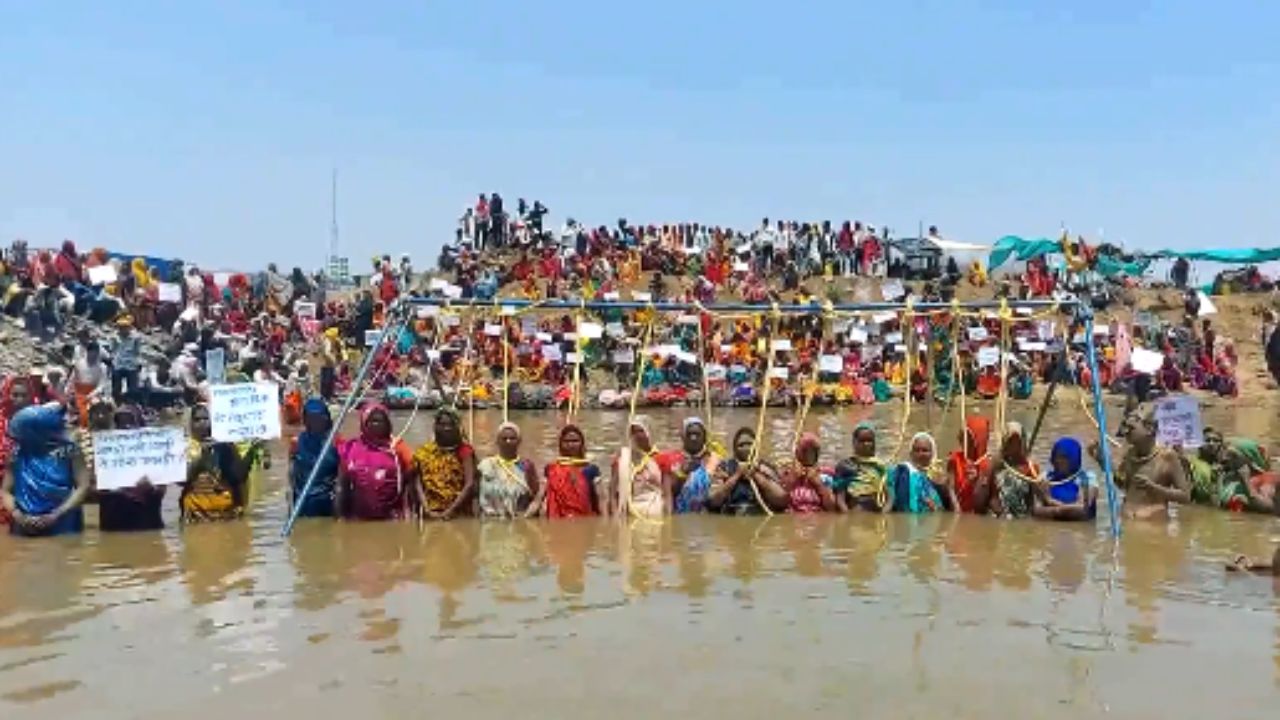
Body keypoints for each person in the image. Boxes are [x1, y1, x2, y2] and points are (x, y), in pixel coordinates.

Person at [0, 404, 89, 536]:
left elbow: (83, 486)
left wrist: (56, 514)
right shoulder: (17, 453)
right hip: (24, 522)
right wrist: (17, 514)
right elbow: (5, 491)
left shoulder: (69, 451)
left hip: (63, 521)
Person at [1096, 407, 1189, 519]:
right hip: (1127, 520)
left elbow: (1185, 497)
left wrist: (1153, 488)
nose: (1125, 432)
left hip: (1153, 527)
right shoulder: (1130, 454)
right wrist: (1104, 463)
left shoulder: (1167, 457)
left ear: (1150, 429)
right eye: (1125, 427)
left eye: (1131, 428)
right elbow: (1124, 485)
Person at [335, 403, 413, 520]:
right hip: (358, 519)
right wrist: (340, 517)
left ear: (387, 424)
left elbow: (412, 475)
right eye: (372, 421)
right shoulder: (351, 448)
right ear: (364, 423)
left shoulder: (397, 447)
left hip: (392, 519)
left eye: (380, 421)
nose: (376, 425)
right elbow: (342, 485)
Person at [97, 404, 167, 532]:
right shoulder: (105, 452)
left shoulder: (154, 453)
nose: (125, 428)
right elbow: (91, 489)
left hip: (145, 524)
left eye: (130, 423)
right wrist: (114, 489)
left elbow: (161, 491)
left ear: (140, 425)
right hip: (113, 525)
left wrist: (150, 487)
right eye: (120, 423)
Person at [180, 404, 251, 522]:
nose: (202, 423)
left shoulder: (224, 445)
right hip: (195, 517)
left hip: (225, 515)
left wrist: (246, 451)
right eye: (197, 419)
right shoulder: (184, 448)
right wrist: (202, 457)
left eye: (206, 419)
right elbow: (181, 481)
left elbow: (239, 476)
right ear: (191, 424)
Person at [706, 427, 788, 515]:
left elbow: (782, 500)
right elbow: (712, 501)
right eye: (741, 445)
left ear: (756, 446)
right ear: (735, 449)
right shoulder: (725, 467)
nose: (746, 448)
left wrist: (756, 475)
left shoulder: (766, 467)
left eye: (749, 444)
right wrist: (737, 475)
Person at [412, 408, 477, 519]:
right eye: (442, 424)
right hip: (430, 511)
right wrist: (426, 507)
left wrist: (450, 511)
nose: (446, 428)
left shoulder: (465, 451)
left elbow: (469, 484)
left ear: (457, 427)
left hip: (458, 514)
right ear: (435, 427)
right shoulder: (424, 452)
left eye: (451, 424)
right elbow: (417, 482)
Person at [288, 399, 340, 518]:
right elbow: (291, 475)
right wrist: (290, 508)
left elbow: (341, 478)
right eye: (311, 418)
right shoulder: (296, 442)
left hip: (326, 502)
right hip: (302, 500)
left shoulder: (335, 442)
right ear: (306, 420)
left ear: (326, 418)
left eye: (319, 417)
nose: (315, 422)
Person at [475, 421, 538, 519]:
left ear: (519, 441)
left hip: (518, 522)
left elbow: (535, 494)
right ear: (497, 441)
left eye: (512, 438)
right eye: (504, 439)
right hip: (490, 521)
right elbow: (476, 495)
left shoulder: (526, 465)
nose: (508, 441)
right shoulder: (487, 465)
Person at [537, 424, 601, 518]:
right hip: (557, 522)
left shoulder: (591, 469)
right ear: (561, 444)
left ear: (582, 443)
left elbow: (602, 500)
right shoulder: (551, 469)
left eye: (575, 441)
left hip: (584, 522)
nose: (571, 444)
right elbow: (539, 498)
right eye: (566, 441)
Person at [611, 418, 670, 517]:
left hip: (655, 512)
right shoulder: (623, 458)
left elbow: (667, 494)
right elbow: (612, 494)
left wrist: (668, 519)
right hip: (628, 512)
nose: (637, 435)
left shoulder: (661, 459)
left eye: (641, 431)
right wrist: (616, 516)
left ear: (649, 432)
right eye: (633, 432)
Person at [1030, 437, 1098, 521]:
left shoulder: (1088, 478)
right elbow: (1035, 511)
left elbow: (1082, 510)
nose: (1058, 461)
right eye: (1056, 457)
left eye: (1064, 458)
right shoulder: (1045, 478)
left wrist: (1049, 501)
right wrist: (1065, 511)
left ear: (1074, 459)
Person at [983, 422, 1041, 519]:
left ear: (1023, 442)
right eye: (1011, 442)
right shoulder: (996, 465)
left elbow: (1032, 502)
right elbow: (992, 497)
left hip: (1022, 517)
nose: (1014, 446)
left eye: (1018, 442)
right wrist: (1000, 514)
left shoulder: (1031, 468)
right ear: (1005, 442)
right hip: (999, 516)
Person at [886, 432, 954, 513]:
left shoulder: (939, 478)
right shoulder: (901, 473)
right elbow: (890, 504)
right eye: (916, 450)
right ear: (911, 453)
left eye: (925, 450)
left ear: (933, 453)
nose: (920, 454)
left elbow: (952, 514)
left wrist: (950, 490)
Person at [832, 422, 888, 512]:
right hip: (854, 508)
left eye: (870, 441)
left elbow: (889, 496)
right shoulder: (845, 465)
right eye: (862, 441)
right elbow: (840, 498)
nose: (866, 444)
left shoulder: (880, 466)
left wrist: (884, 517)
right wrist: (847, 517)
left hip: (875, 511)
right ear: (854, 442)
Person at [1218, 439, 1280, 514]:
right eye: (1227, 455)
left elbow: (1268, 508)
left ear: (1248, 459)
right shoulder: (1229, 478)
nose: (1226, 459)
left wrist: (1245, 480)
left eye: (1234, 456)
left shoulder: (1268, 478)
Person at [780, 433, 837, 513]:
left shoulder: (826, 474)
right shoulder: (787, 472)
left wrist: (819, 484)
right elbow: (779, 502)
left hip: (817, 517)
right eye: (804, 450)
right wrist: (793, 479)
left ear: (816, 454)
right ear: (797, 452)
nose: (806, 455)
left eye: (811, 451)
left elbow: (831, 508)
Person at [672, 417, 720, 513]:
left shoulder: (714, 459)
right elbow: (670, 493)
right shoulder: (674, 459)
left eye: (697, 434)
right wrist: (683, 474)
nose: (693, 438)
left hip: (705, 517)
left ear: (704, 437)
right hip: (680, 516)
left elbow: (718, 494)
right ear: (683, 437)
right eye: (689, 434)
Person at [946, 416, 991, 513]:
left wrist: (976, 480)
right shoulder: (954, 459)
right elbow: (950, 488)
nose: (963, 441)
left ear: (978, 440)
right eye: (962, 437)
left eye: (968, 438)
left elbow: (987, 497)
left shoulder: (987, 465)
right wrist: (956, 508)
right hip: (957, 508)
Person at [69, 340, 110, 427]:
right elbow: (72, 379)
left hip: (94, 392)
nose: (93, 356)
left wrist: (91, 394)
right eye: (92, 353)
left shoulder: (102, 367)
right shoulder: (79, 363)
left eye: (96, 353)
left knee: (99, 406)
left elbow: (102, 384)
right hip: (79, 392)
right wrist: (69, 391)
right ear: (88, 352)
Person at [111, 316, 143, 402]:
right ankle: (117, 401)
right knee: (116, 388)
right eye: (121, 328)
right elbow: (113, 350)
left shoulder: (135, 338)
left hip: (131, 364)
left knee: (133, 389)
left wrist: (138, 362)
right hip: (119, 363)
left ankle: (131, 403)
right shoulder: (115, 337)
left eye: (125, 327)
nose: (122, 330)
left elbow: (137, 351)